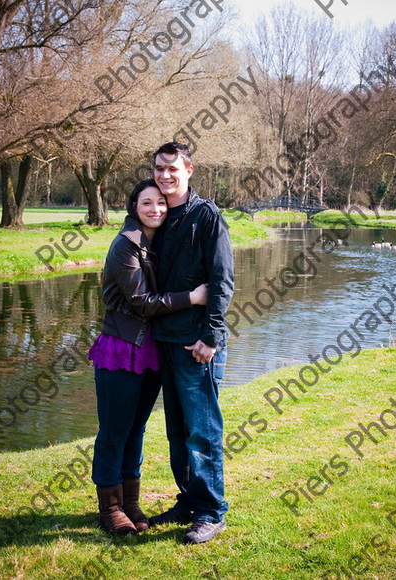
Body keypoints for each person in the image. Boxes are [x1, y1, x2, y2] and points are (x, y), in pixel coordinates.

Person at [88, 178, 208, 535]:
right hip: (122, 349)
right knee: (114, 431)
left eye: (160, 203)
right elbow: (141, 303)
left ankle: (130, 502)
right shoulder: (126, 245)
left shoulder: (160, 243)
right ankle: (110, 509)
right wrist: (194, 297)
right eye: (146, 204)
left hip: (151, 351)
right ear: (133, 208)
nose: (155, 209)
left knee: (136, 429)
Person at [149, 142, 234, 544]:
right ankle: (187, 500)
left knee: (202, 431)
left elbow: (222, 281)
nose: (165, 175)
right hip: (165, 340)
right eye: (159, 169)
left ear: (189, 170)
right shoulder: (159, 216)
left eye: (172, 168)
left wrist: (211, 337)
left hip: (197, 344)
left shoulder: (207, 216)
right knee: (176, 431)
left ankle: (211, 511)